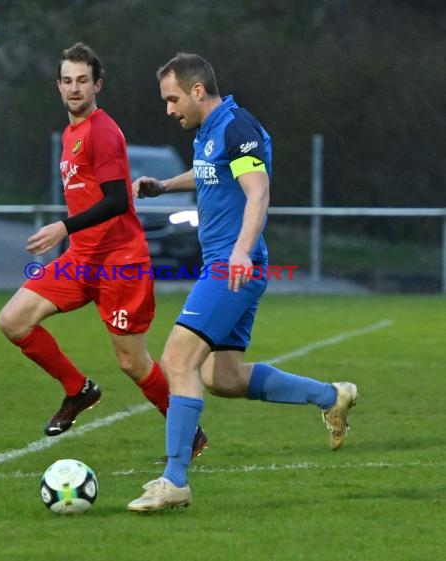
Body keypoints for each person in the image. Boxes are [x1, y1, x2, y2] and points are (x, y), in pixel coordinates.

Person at [127, 53, 358, 512]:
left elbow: (258, 190)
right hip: (228, 264)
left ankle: (175, 479)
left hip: (232, 267)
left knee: (176, 359)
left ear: (197, 91)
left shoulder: (237, 126)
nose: (169, 109)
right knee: (222, 377)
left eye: (172, 99)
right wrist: (163, 186)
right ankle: (331, 396)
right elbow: (211, 173)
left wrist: (240, 250)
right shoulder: (210, 133)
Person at [0, 43, 207, 458]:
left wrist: (62, 226)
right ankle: (79, 390)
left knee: (132, 363)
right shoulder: (71, 133)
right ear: (58, 85)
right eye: (67, 81)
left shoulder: (102, 131)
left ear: (98, 85)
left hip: (120, 263)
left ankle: (189, 430)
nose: (75, 89)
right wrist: (71, 236)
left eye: (83, 81)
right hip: (81, 259)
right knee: (14, 321)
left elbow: (115, 201)